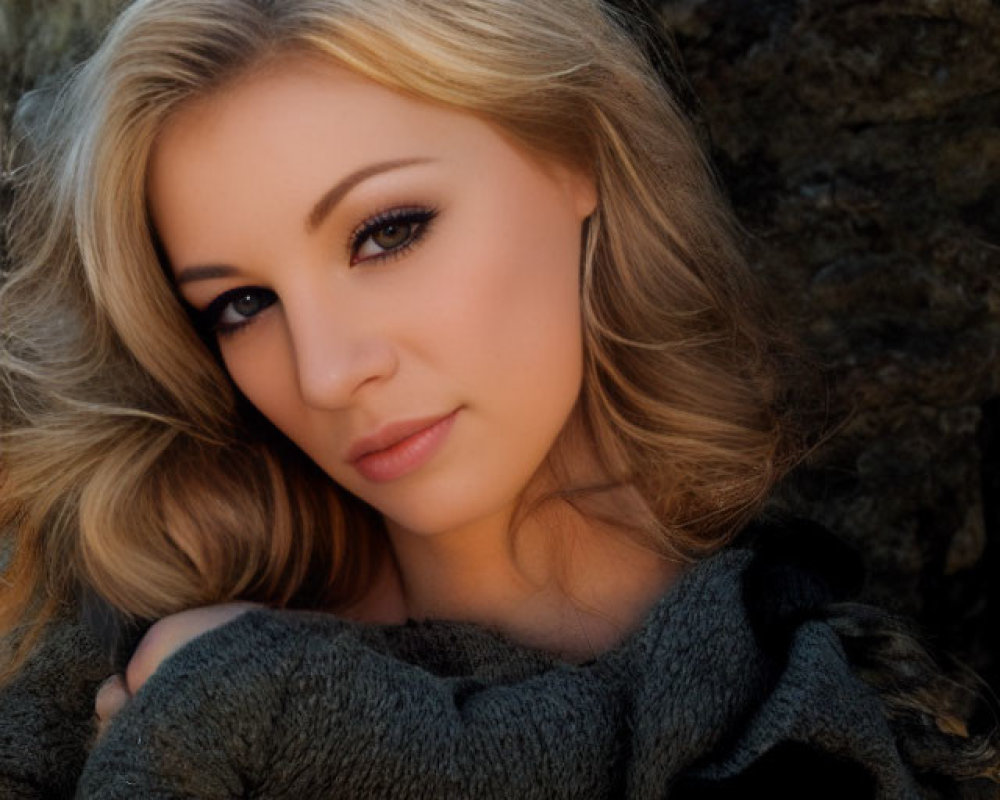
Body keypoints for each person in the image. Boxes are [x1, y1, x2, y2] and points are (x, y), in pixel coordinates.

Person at [0, 0, 996, 796]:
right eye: (241, 303)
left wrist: (292, 715)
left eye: (387, 230)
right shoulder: (100, 640)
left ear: (577, 152)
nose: (325, 372)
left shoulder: (830, 701)